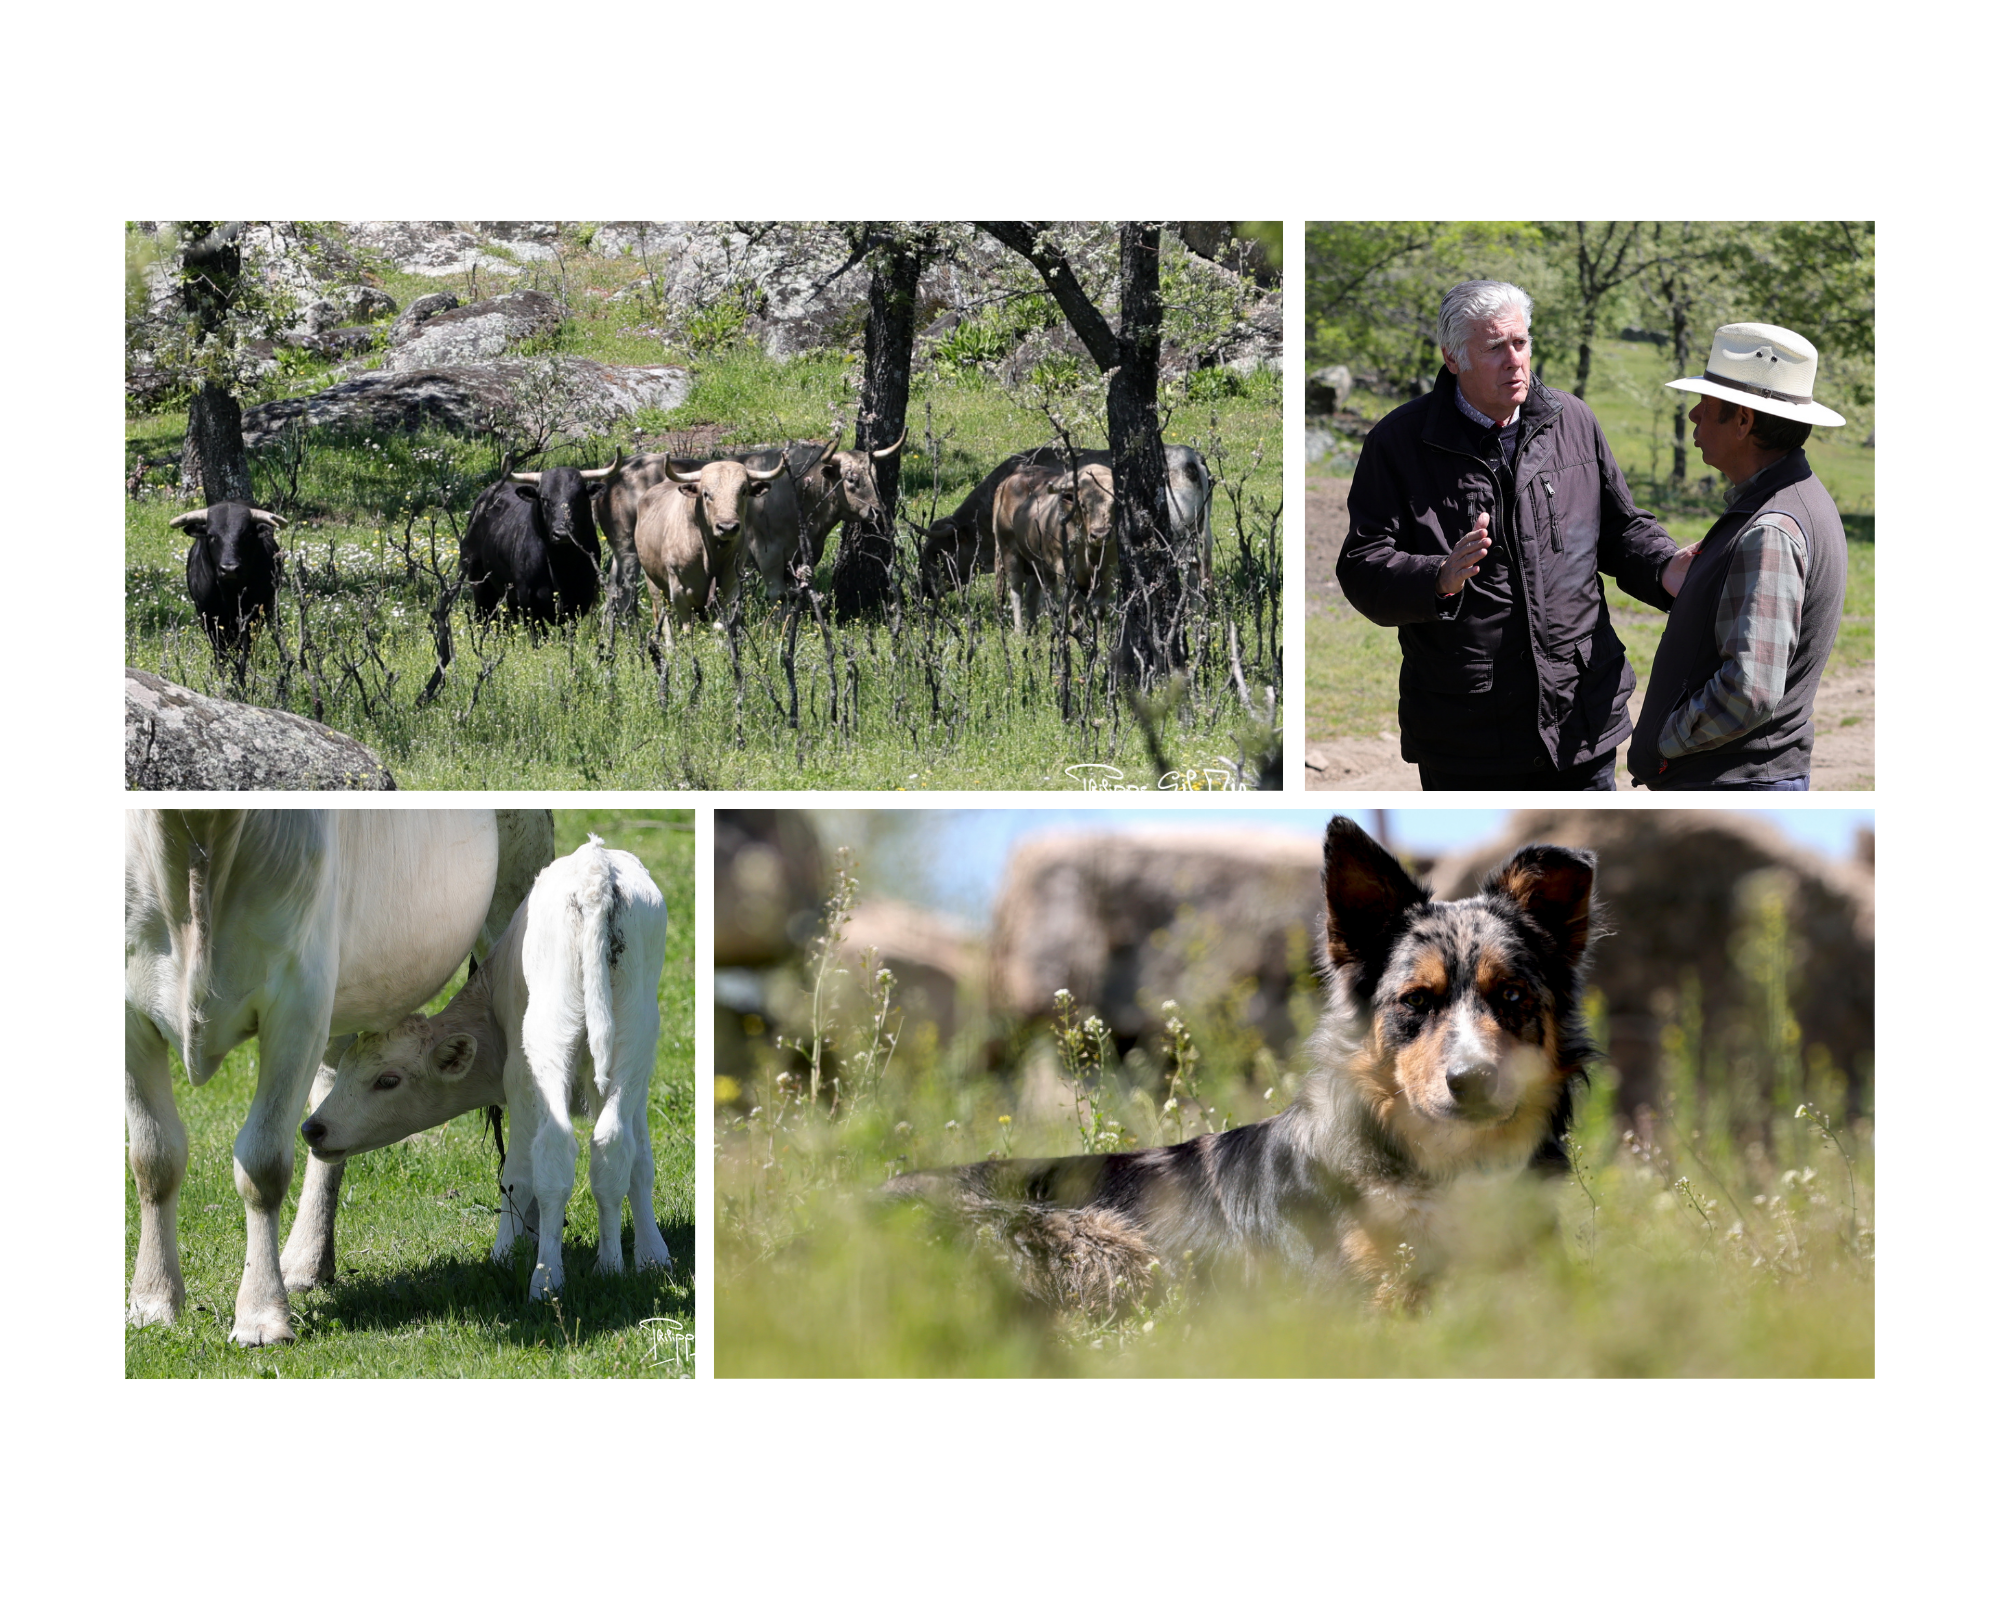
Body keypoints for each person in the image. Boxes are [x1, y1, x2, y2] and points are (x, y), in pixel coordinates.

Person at [1336, 280, 1688, 789]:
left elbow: (1618, 528)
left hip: (1579, 720)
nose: (1514, 361)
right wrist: (1437, 577)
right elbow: (1362, 565)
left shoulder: (1574, 421)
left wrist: (1666, 566)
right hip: (1467, 736)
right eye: (1494, 348)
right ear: (1453, 359)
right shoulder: (1397, 442)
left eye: (1520, 343)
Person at [1627, 323, 1848, 790]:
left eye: (1706, 407)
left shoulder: (1771, 528)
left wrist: (1662, 742)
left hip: (1731, 787)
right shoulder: (1794, 500)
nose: (1692, 416)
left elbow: (1748, 694)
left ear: (1744, 422)